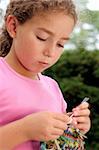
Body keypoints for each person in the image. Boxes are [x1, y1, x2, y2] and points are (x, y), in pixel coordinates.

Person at [0, 0, 90, 149]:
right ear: (13, 27)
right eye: (42, 37)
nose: (51, 52)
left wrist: (74, 127)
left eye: (60, 44)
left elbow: (57, 142)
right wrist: (24, 130)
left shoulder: (52, 87)